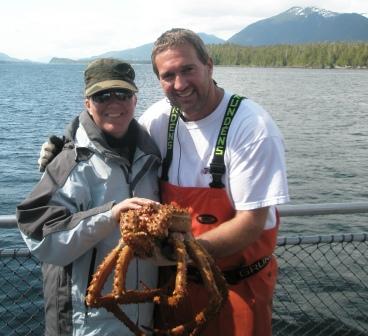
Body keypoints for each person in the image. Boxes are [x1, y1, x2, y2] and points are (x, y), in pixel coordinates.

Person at [38, 28, 289, 336]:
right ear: (158, 80)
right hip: (170, 286)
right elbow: (110, 129)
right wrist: (63, 145)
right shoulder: (160, 118)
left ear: (209, 65)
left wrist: (181, 252)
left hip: (235, 286)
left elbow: (252, 222)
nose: (180, 84)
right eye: (168, 75)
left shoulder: (251, 127)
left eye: (188, 70)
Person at [16, 58, 162, 336]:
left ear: (135, 100)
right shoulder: (69, 161)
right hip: (86, 325)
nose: (114, 103)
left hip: (143, 320)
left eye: (123, 94)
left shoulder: (151, 157)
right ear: (87, 104)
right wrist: (110, 216)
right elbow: (38, 235)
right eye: (102, 96)